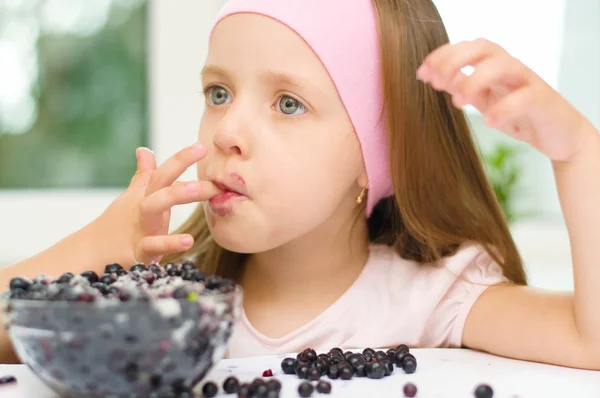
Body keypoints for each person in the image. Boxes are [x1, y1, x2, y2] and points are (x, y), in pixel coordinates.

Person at [1, 0, 599, 369]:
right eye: (218, 93)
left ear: (374, 159)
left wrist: (576, 152)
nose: (227, 130)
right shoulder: (160, 297)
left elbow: (589, 343)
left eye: (287, 103)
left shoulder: (430, 297)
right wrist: (97, 249)